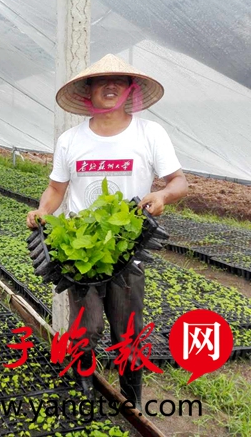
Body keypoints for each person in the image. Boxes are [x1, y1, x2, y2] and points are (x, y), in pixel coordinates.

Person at [26, 54, 188, 410]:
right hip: (81, 250)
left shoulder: (149, 133)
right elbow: (56, 189)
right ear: (88, 92)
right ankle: (84, 381)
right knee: (88, 325)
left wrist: (162, 195)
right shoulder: (70, 140)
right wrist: (42, 211)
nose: (110, 86)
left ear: (130, 90)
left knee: (127, 326)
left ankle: (131, 396)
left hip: (127, 247)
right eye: (101, 81)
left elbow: (179, 181)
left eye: (119, 80)